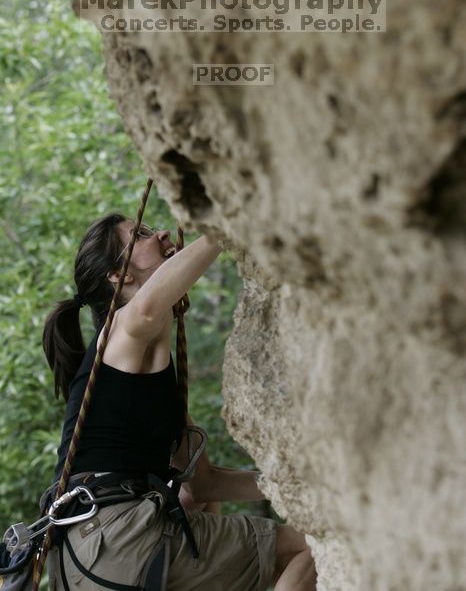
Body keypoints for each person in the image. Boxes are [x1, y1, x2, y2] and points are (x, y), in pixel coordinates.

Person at [42, 213, 317, 591]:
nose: (163, 234)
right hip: (118, 539)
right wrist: (231, 220)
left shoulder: (145, 386)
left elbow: (202, 486)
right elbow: (147, 310)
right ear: (117, 275)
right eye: (140, 234)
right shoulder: (120, 332)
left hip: (87, 563)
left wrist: (298, 485)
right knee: (311, 548)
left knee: (201, 507)